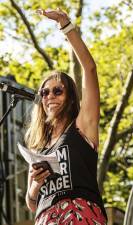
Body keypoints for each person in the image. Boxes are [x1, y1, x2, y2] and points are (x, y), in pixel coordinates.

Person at [25, 8, 107, 225]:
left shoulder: (82, 127)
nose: (50, 96)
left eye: (57, 90)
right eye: (45, 92)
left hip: (80, 215)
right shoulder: (37, 147)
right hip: (45, 218)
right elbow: (31, 203)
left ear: (71, 97)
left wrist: (65, 25)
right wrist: (35, 185)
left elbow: (89, 69)